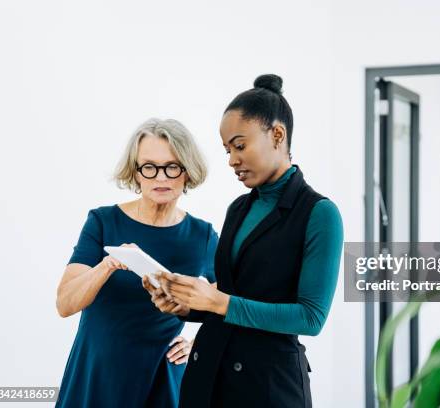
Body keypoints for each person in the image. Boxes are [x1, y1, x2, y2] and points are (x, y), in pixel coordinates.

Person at [145, 74, 343, 407]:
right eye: (227, 150)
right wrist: (187, 306)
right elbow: (234, 296)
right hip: (208, 375)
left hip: (267, 387)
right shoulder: (239, 207)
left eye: (240, 145)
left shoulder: (319, 213)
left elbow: (311, 318)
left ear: (277, 135)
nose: (232, 160)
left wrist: (217, 301)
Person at [55, 118, 217, 407]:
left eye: (172, 167)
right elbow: (65, 304)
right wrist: (107, 264)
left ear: (187, 172)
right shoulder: (103, 221)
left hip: (161, 377)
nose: (161, 178)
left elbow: (231, 304)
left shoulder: (202, 236)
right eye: (149, 167)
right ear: (136, 172)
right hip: (97, 373)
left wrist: (201, 343)